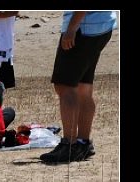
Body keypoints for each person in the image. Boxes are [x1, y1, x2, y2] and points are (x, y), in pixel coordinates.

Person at [40, 11, 117, 164]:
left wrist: (71, 28)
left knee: (65, 86)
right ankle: (83, 143)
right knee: (84, 86)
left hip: (84, 27)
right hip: (101, 25)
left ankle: (69, 144)